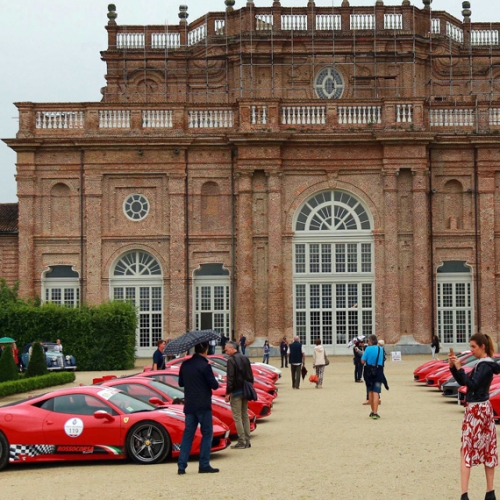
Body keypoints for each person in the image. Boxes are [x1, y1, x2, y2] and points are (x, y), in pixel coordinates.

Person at [449, 333, 500, 500]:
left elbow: (471, 384)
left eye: (473, 347)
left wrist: (458, 368)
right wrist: (454, 368)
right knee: (488, 448)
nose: (471, 351)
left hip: (476, 410)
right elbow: (466, 382)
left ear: (482, 347)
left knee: (466, 449)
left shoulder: (484, 366)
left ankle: (464, 494)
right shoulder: (484, 364)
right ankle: (490, 491)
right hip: (484, 408)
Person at [178, 342, 220, 474]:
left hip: (190, 404)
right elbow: (214, 385)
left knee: (188, 434)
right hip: (203, 404)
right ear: (205, 350)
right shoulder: (205, 366)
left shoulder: (185, 364)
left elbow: (181, 383)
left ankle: (181, 465)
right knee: (207, 433)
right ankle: (204, 464)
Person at [225, 341, 254, 449]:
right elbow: (251, 376)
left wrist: (228, 392)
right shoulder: (245, 358)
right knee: (245, 415)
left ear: (232, 348)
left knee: (237, 417)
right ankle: (247, 439)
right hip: (245, 390)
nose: (226, 352)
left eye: (227, 349)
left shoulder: (231, 360)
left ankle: (241, 440)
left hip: (236, 391)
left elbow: (230, 378)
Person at [361, 334, 388, 420]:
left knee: (370, 391)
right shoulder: (381, 349)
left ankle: (372, 411)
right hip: (379, 371)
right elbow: (384, 359)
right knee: (376, 392)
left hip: (369, 371)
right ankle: (375, 412)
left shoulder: (368, 349)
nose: (367, 343)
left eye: (368, 341)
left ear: (371, 341)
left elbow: (362, 361)